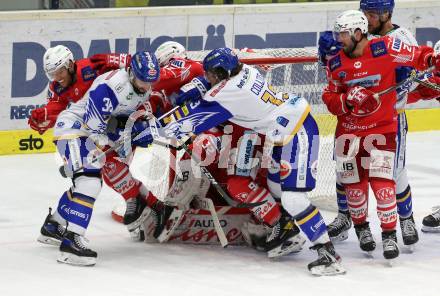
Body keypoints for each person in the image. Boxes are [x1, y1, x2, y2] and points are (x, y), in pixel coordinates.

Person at [137, 47, 346, 276]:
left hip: (297, 132)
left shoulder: (229, 92)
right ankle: (285, 230)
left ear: (221, 72)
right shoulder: (244, 71)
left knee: (293, 198)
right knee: (276, 188)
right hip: (285, 131)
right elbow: (216, 89)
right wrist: (202, 86)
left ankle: (327, 254)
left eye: (211, 75)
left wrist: (155, 129)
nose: (208, 78)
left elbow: (192, 118)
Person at [322, 10, 438, 260]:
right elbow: (330, 98)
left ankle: (393, 231)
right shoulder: (335, 62)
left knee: (386, 181)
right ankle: (359, 227)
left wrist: (432, 60)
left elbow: (418, 56)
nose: (338, 38)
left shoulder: (385, 47)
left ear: (357, 32)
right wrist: (347, 99)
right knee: (351, 183)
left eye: (343, 33)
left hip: (383, 128)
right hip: (350, 132)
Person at [38, 51, 163, 266]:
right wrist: (127, 137)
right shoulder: (112, 87)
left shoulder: (139, 85)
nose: (146, 86)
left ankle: (53, 225)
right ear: (132, 73)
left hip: (88, 131)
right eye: (143, 80)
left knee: (85, 182)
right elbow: (96, 132)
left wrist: (138, 130)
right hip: (75, 129)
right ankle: (71, 243)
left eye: (151, 81)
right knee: (89, 181)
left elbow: (122, 118)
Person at [28, 45, 130, 135]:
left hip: (121, 110)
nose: (57, 78)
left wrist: (125, 61)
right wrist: (45, 115)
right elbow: (57, 107)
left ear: (70, 65)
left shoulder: (91, 68)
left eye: (60, 72)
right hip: (101, 123)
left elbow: (132, 65)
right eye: (52, 74)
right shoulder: (57, 88)